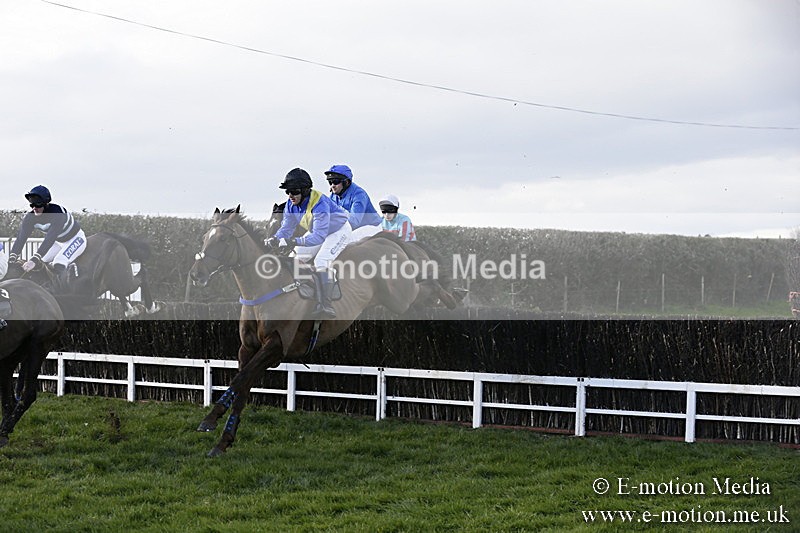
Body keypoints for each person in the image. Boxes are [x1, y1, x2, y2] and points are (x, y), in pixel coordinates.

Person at [266, 168, 352, 319]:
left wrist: (293, 241)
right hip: (318, 231)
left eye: (294, 191)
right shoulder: (290, 204)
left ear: (305, 190)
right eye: (288, 192)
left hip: (338, 231)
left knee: (321, 261)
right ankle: (304, 294)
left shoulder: (319, 203)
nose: (290, 196)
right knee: (297, 258)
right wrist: (275, 238)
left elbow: (318, 237)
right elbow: (286, 228)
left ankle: (326, 304)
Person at [8, 185, 87, 291]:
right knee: (41, 263)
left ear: (46, 203)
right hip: (58, 242)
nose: (34, 208)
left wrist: (33, 260)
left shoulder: (57, 213)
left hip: (75, 239)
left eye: (38, 204)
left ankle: (67, 294)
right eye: (32, 205)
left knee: (59, 262)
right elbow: (21, 239)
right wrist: (11, 260)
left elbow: (50, 238)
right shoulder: (30, 218)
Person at [325, 164, 382, 242]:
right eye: (330, 182)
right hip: (354, 229)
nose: (332, 186)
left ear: (347, 182)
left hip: (371, 228)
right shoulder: (333, 196)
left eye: (335, 182)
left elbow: (354, 223)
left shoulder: (359, 195)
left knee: (343, 241)